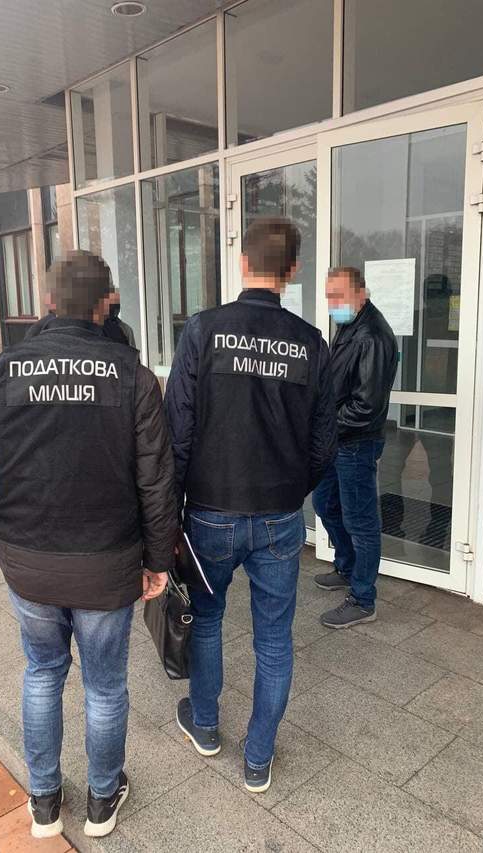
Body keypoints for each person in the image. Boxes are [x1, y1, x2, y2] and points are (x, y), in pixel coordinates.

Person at [0, 250, 177, 840]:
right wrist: (157, 561)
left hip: (30, 562)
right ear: (105, 305)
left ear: (47, 302)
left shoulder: (1, 371)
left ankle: (44, 801)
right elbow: (157, 481)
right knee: (104, 685)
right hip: (107, 563)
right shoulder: (133, 376)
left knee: (42, 672)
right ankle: (101, 799)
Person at [164, 217, 337, 793]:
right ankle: (258, 756)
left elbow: (177, 431)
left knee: (207, 621)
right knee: (274, 640)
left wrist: (170, 512)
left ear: (243, 263)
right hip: (280, 517)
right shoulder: (311, 343)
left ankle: (205, 725)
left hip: (209, 510)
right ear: (293, 270)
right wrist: (291, 489)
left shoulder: (204, 330)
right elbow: (324, 442)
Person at [312, 266, 397, 627]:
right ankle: (347, 567)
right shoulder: (350, 327)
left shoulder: (372, 336)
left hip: (356, 443)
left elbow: (367, 406)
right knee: (324, 504)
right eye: (329, 296)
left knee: (361, 522)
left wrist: (326, 425)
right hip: (338, 441)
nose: (333, 304)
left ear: (361, 293)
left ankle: (363, 599)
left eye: (339, 296)